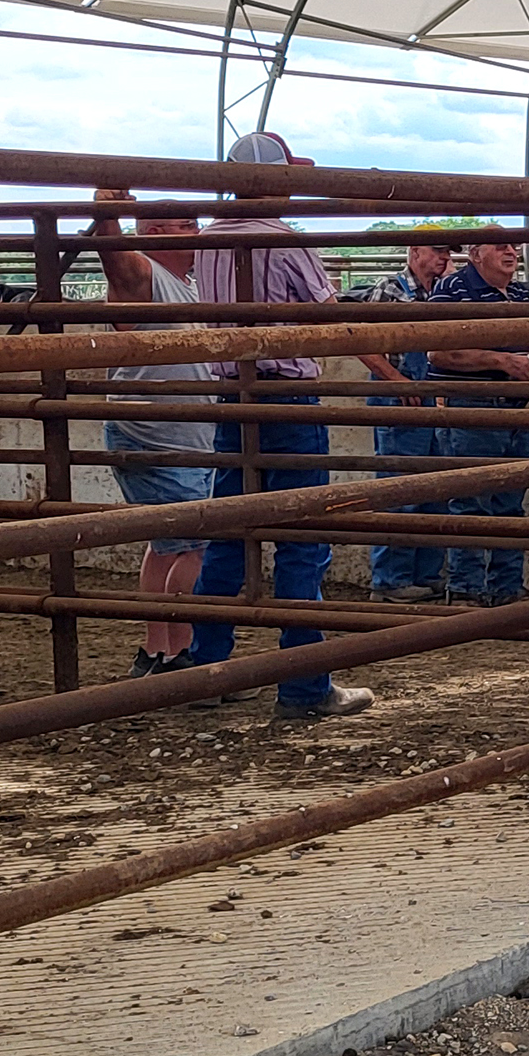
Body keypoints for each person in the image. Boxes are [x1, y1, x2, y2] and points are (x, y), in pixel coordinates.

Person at [184, 131, 371, 719]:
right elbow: (323, 315)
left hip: (233, 398)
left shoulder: (208, 241)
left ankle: (209, 668)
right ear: (276, 180)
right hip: (287, 395)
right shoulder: (287, 240)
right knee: (301, 539)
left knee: (229, 531)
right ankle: (304, 684)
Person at [87, 190, 207, 674]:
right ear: (155, 233)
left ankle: (156, 648)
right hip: (159, 433)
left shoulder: (189, 284)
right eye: (187, 225)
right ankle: (180, 648)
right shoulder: (148, 277)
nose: (198, 234)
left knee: (165, 545)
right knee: (199, 541)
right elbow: (118, 263)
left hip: (168, 431)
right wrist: (108, 216)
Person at [425, 233, 529, 608]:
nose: (511, 252)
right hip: (472, 406)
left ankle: (503, 588)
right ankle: (467, 590)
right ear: (476, 254)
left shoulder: (522, 295)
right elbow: (439, 352)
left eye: (514, 247)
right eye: (500, 247)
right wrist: (503, 361)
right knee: (473, 499)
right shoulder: (452, 290)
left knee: (508, 501)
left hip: (512, 406)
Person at [350, 239, 456, 605]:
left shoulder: (442, 292)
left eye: (447, 252)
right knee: (400, 488)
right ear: (414, 253)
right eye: (438, 251)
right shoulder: (390, 290)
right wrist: (396, 379)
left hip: (428, 392)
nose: (445, 258)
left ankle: (423, 576)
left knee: (433, 489)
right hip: (401, 394)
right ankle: (390, 580)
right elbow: (361, 341)